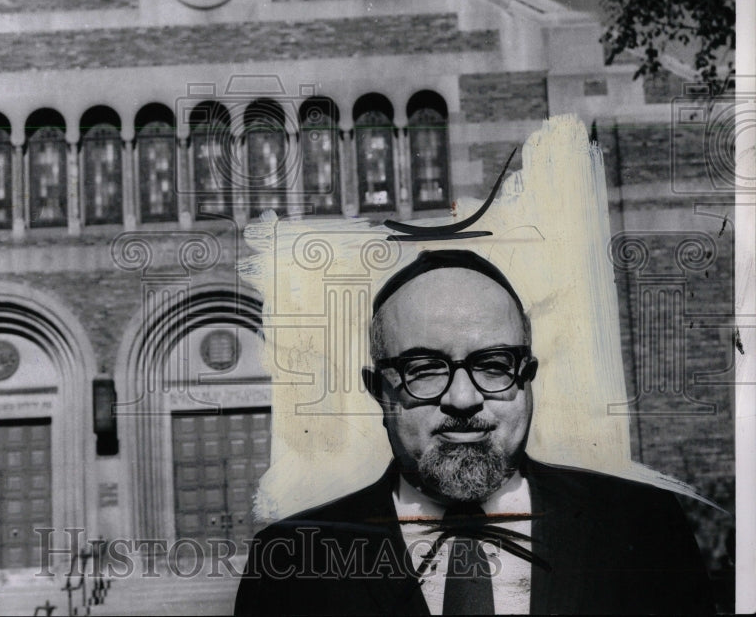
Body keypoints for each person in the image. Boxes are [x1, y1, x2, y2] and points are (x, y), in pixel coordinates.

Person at [234, 249, 715, 615]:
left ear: (527, 377)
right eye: (424, 368)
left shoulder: (640, 526)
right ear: (379, 389)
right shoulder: (294, 561)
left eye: (492, 364)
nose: (462, 399)